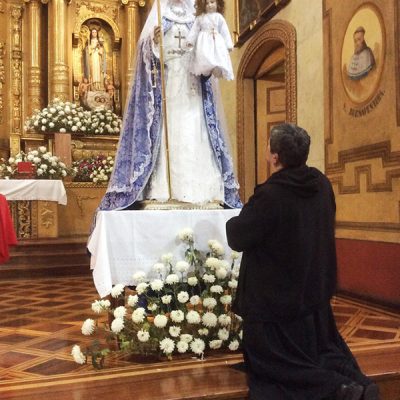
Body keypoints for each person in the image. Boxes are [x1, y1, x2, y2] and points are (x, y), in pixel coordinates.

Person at [226, 124, 379, 400]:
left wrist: (233, 219)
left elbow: (237, 236)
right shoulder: (321, 184)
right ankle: (358, 383)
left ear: (274, 157)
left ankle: (338, 388)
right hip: (312, 297)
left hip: (275, 305)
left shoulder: (270, 194)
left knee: (273, 365)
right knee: (322, 352)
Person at [98, 0, 241, 211]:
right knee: (169, 131)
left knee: (196, 131)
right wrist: (154, 44)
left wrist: (210, 50)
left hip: (193, 84)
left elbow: (206, 47)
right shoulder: (160, 16)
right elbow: (146, 58)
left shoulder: (196, 17)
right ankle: (163, 189)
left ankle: (201, 190)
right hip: (168, 87)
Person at [186, 0, 234, 80]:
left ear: (217, 3)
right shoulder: (200, 17)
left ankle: (217, 69)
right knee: (204, 55)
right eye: (207, 3)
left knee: (218, 56)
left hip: (216, 41)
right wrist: (190, 40)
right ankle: (206, 69)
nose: (209, 5)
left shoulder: (219, 17)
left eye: (212, 2)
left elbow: (224, 31)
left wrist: (228, 44)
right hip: (204, 42)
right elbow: (195, 29)